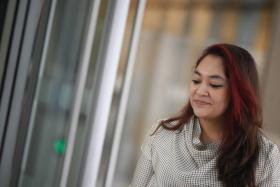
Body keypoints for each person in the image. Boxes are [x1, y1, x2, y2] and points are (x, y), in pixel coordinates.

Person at [130, 43, 280, 187]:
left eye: (214, 84)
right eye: (196, 80)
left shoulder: (264, 156)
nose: (200, 91)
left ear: (239, 92)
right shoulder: (163, 133)